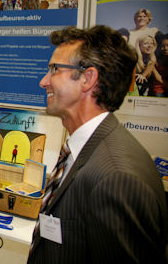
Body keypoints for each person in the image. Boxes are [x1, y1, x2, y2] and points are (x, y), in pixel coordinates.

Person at [28, 26, 167, 263]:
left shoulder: (116, 177)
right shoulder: (86, 148)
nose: (43, 82)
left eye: (54, 70)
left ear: (88, 78)